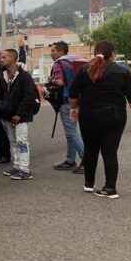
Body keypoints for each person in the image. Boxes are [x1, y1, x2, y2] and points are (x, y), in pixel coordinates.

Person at [69, 41, 131, 199]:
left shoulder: (84, 70)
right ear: (112, 54)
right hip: (114, 116)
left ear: (95, 52)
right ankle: (110, 188)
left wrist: (74, 108)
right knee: (110, 153)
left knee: (90, 149)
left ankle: (89, 184)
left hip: (89, 115)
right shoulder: (123, 72)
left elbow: (73, 93)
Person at [0, 48, 38, 180]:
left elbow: (28, 97)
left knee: (22, 141)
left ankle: (25, 169)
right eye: (1, 57)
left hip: (21, 116)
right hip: (7, 115)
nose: (1, 60)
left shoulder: (24, 76)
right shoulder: (1, 76)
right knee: (13, 142)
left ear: (13, 59)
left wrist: (19, 114)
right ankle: (17, 165)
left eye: (4, 57)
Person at [49, 40, 85, 174]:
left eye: (53, 50)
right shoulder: (72, 62)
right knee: (72, 132)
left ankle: (85, 159)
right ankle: (70, 160)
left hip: (65, 101)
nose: (51, 53)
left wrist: (50, 79)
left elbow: (59, 82)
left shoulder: (58, 64)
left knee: (70, 132)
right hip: (77, 100)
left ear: (60, 52)